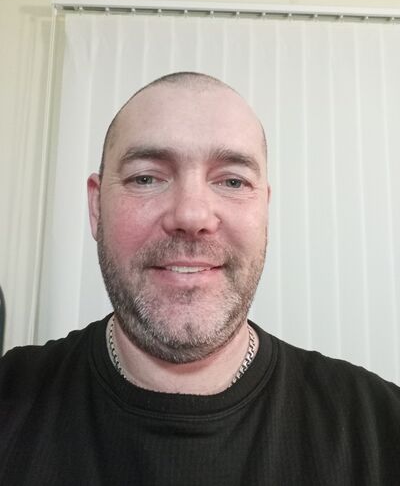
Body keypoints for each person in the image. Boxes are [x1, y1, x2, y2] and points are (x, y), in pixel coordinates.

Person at [0, 72, 399, 485]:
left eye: (232, 181)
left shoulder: (382, 429)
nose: (191, 216)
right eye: (146, 178)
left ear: (264, 210)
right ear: (97, 207)